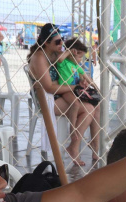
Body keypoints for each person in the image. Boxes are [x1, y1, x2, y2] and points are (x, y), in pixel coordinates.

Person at [27, 23, 85, 167]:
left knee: (92, 107)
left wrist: (81, 78)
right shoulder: (39, 57)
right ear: (46, 42)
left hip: (59, 94)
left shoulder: (55, 53)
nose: (61, 44)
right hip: (45, 99)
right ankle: (73, 146)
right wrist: (75, 87)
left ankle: (76, 147)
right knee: (87, 109)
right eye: (57, 42)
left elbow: (73, 68)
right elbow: (49, 87)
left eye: (62, 40)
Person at [57, 37, 101, 165]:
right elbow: (60, 59)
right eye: (79, 56)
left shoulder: (76, 65)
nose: (80, 60)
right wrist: (70, 51)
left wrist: (96, 89)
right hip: (66, 90)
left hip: (77, 91)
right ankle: (73, 132)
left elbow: (88, 78)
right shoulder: (64, 62)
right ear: (73, 53)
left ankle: (94, 143)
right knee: (75, 104)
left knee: (97, 105)